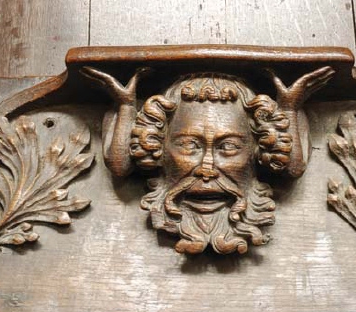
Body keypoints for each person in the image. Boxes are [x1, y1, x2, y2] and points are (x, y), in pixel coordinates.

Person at [81, 66, 334, 254]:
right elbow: (119, 163)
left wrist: (288, 108)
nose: (207, 169)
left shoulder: (276, 150)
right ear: (157, 146)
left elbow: (293, 165)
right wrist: (126, 107)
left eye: (229, 147)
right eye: (189, 146)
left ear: (259, 150)